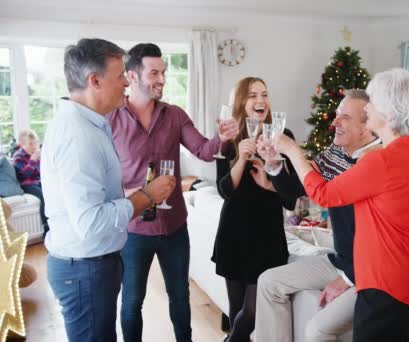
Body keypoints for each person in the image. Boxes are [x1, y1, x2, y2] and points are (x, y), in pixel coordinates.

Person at [274, 68, 409, 342]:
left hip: (385, 279)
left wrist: (291, 150)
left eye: (373, 101)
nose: (368, 106)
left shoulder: (380, 161)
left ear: (390, 114)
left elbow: (322, 194)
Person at [41, 38, 175, 342]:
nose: (127, 84)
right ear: (94, 80)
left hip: (91, 267)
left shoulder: (91, 125)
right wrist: (147, 196)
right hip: (85, 270)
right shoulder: (78, 135)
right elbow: (90, 222)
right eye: (120, 77)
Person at [108, 43, 238, 342]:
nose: (162, 79)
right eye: (154, 72)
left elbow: (205, 151)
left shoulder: (175, 115)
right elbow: (102, 176)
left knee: (180, 297)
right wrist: (131, 192)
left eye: (163, 72)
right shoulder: (112, 118)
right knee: (131, 302)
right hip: (133, 228)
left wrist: (222, 138)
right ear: (132, 76)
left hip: (174, 227)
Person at [255, 89, 380, 342]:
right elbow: (296, 190)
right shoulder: (336, 151)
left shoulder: (375, 162)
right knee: (268, 282)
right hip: (340, 259)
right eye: (336, 115)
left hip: (366, 269)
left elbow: (377, 240)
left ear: (367, 127)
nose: (334, 122)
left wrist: (348, 278)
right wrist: (275, 164)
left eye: (344, 117)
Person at [212, 77, 298, 342]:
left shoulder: (284, 137)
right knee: (236, 309)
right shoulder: (228, 137)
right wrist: (240, 158)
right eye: (252, 95)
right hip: (234, 233)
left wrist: (270, 181)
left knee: (251, 312)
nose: (260, 100)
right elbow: (224, 191)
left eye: (264, 94)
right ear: (241, 101)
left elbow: (291, 196)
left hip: (267, 237)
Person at [12, 129, 48, 238]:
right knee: (43, 196)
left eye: (35, 142)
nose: (34, 146)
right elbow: (24, 175)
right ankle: (46, 227)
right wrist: (32, 160)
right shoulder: (18, 156)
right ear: (22, 144)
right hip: (26, 184)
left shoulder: (36, 154)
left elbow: (41, 172)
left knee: (53, 193)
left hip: (38, 182)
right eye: (31, 144)